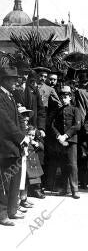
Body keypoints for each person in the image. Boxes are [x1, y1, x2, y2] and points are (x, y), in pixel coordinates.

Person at [0, 67, 29, 226]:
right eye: (12, 79)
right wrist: (21, 137)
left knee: (15, 179)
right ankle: (2, 213)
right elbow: (5, 122)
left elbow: (19, 118)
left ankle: (12, 210)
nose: (15, 82)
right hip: (4, 146)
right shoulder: (0, 96)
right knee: (5, 181)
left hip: (15, 145)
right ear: (4, 80)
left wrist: (24, 136)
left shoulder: (10, 96)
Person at [48, 86, 81, 199]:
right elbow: (51, 125)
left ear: (70, 97)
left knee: (72, 165)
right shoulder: (57, 111)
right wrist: (58, 136)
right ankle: (64, 188)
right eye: (62, 97)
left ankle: (75, 189)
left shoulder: (75, 109)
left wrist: (66, 135)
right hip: (60, 141)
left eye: (66, 97)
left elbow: (77, 125)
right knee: (63, 164)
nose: (63, 99)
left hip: (71, 141)